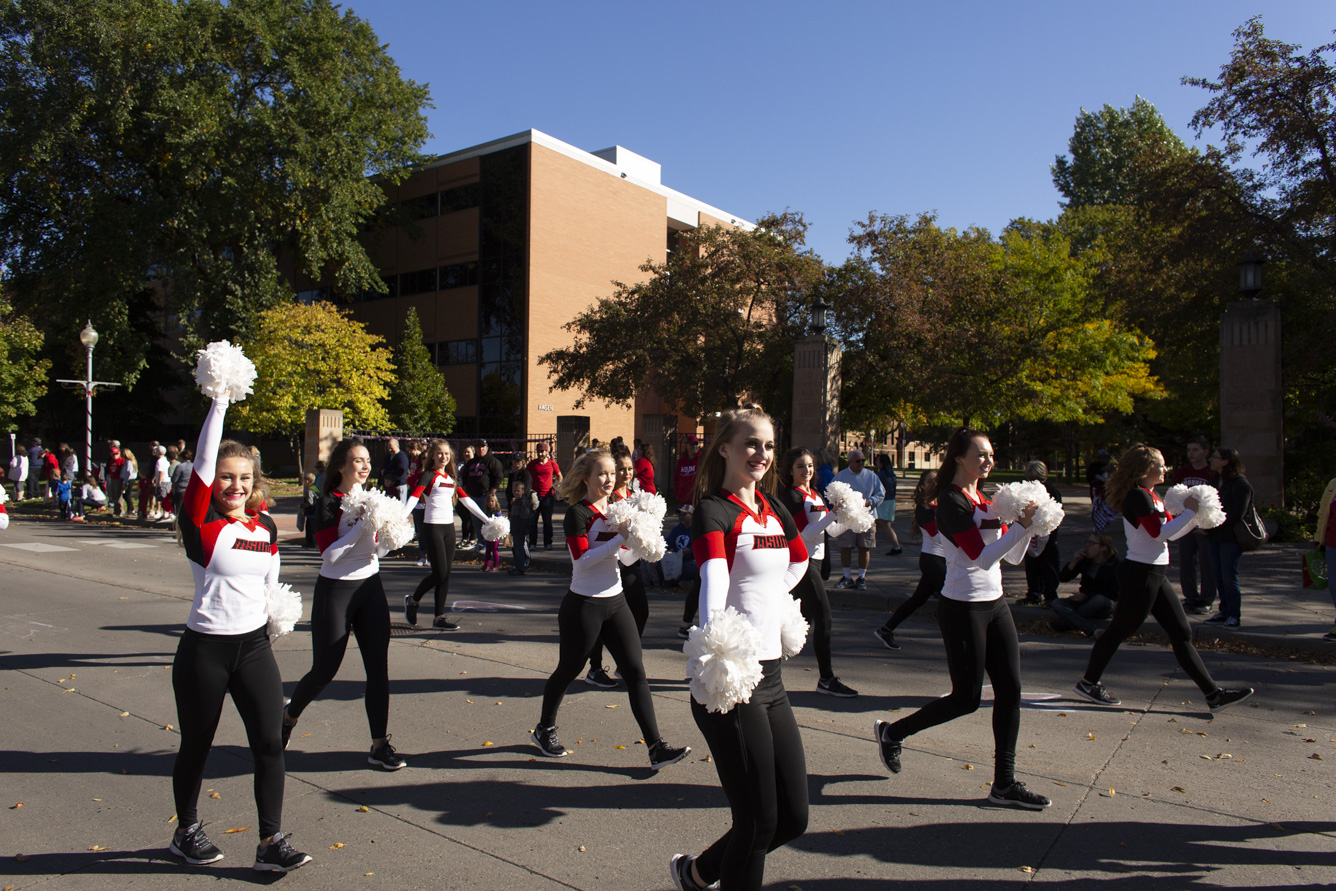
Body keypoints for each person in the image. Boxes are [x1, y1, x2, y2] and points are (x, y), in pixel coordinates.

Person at [168, 385, 311, 873]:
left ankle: (270, 840)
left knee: (271, 741)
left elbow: (272, 583)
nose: (235, 485)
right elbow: (206, 459)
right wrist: (220, 399)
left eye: (244, 478)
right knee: (197, 744)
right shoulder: (201, 526)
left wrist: (277, 617)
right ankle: (185, 830)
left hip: (252, 648)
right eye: (227, 478)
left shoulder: (265, 526)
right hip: (205, 649)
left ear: (255, 482)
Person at [873, 428, 1052, 810]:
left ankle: (1004, 783)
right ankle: (893, 732)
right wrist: (1020, 526)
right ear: (959, 457)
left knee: (1011, 690)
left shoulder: (984, 498)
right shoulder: (950, 502)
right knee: (966, 699)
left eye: (991, 455)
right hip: (962, 606)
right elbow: (980, 558)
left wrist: (1035, 528)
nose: (988, 461)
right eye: (981, 454)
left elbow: (1013, 558)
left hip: (996, 602)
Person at [670, 407, 810, 891]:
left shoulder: (773, 507)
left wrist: (774, 606)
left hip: (771, 680)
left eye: (769, 445)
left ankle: (698, 871)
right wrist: (718, 642)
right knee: (757, 822)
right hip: (733, 680)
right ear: (725, 448)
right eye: (751, 443)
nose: (762, 454)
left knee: (794, 816)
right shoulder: (714, 508)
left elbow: (799, 560)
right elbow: (714, 577)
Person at [531, 448, 689, 771]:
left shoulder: (618, 509)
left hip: (616, 602)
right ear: (586, 477)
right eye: (601, 473)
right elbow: (582, 561)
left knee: (635, 671)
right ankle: (544, 728)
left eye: (612, 473)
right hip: (584, 604)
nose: (608, 479)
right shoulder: (579, 513)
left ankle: (656, 747)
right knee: (568, 670)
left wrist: (641, 542)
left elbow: (626, 559)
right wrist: (620, 537)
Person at [1071, 443, 1254, 712]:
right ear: (1146, 468)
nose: (1165, 468)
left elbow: (1171, 532)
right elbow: (1159, 533)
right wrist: (1190, 512)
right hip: (1140, 574)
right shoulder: (1137, 496)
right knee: (1119, 631)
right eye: (1161, 464)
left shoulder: (1153, 495)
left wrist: (1195, 518)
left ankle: (1213, 695)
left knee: (1181, 633)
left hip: (1155, 573)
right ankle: (1088, 682)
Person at [283, 439, 406, 771]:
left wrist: (389, 534)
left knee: (378, 669)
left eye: (367, 460)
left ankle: (379, 745)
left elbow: (376, 552)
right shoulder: (328, 503)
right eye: (357, 461)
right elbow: (330, 555)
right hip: (335, 591)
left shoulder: (372, 499)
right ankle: (289, 715)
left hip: (370, 588)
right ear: (341, 466)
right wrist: (361, 526)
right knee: (325, 669)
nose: (365, 466)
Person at [777, 447, 857, 697]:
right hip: (803, 563)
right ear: (790, 470)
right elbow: (804, 536)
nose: (807, 470)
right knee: (824, 617)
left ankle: (762, 667)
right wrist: (833, 513)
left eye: (810, 465)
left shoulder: (814, 494)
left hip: (818, 561)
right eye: (801, 466)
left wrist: (852, 518)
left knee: (798, 623)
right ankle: (826, 679)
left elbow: (830, 531)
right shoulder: (792, 497)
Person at [403, 440, 488, 629]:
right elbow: (414, 497)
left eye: (447, 454)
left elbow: (467, 502)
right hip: (432, 527)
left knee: (446, 574)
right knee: (439, 572)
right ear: (433, 455)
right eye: (440, 453)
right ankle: (413, 600)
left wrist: (487, 520)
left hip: (449, 529)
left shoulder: (451, 478)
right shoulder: (428, 475)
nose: (443, 457)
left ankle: (438, 617)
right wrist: (401, 517)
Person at [584, 449, 651, 689]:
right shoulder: (609, 498)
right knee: (603, 619)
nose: (625, 473)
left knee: (640, 611)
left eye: (628, 469)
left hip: (631, 561)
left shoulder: (636, 495)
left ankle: (624, 663)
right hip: (612, 561)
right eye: (619, 469)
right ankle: (595, 667)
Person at [874, 469, 945, 650]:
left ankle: (886, 629)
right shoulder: (925, 507)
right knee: (953, 598)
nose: (934, 484)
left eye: (936, 481)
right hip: (933, 560)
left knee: (918, 600)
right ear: (922, 485)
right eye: (930, 481)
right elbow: (938, 536)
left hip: (941, 559)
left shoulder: (942, 503)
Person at [1203, 447, 1254, 628]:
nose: (1211, 459)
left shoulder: (1240, 484)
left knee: (1228, 576)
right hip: (1214, 536)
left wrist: (1213, 523)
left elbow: (1236, 513)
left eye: (1215, 457)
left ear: (1226, 461)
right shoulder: (1216, 481)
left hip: (1231, 538)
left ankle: (1234, 614)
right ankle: (1224, 610)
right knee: (1218, 575)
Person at [1174, 436, 1218, 615]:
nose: (1191, 454)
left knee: (1207, 563)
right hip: (1186, 523)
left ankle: (1206, 599)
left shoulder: (1212, 473)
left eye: (1195, 450)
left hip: (1204, 524)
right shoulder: (1183, 472)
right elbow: (1175, 496)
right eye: (1189, 450)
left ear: (1205, 452)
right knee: (1186, 562)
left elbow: (1217, 500)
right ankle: (1190, 597)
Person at [831, 449, 885, 591]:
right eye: (858, 461)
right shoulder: (841, 476)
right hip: (847, 517)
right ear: (850, 462)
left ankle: (861, 577)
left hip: (866, 517)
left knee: (864, 547)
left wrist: (870, 501)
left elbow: (881, 493)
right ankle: (847, 576)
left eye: (863, 461)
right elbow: (831, 494)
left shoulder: (871, 476)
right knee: (845, 547)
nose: (861, 463)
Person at [1048, 533, 1121, 637]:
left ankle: (1065, 624)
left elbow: (1114, 593)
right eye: (1087, 542)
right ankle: (1093, 630)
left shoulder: (1115, 565)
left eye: (1092, 543)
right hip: (1085, 601)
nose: (1087, 546)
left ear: (1103, 547)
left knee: (1099, 599)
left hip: (1104, 604)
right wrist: (1074, 562)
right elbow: (1063, 578)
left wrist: (1087, 595)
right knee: (1056, 603)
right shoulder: (1086, 561)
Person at [1017, 461, 1063, 606]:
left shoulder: (1050, 490)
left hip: (1046, 533)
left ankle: (1050, 594)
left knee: (1048, 565)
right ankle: (1034, 592)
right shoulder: (1027, 491)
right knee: (1032, 564)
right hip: (1031, 532)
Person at [462, 440, 505, 552]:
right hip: (473, 496)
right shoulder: (471, 462)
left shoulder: (492, 461)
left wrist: (492, 491)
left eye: (483, 447)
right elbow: (464, 477)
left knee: (487, 520)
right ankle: (481, 543)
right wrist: (466, 489)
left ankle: (490, 544)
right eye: (478, 447)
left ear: (486, 448)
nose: (480, 449)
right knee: (476, 521)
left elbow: (499, 476)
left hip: (485, 497)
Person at [1314, 476, 1336, 641]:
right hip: (1332, 542)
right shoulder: (1333, 484)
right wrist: (1318, 539)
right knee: (1334, 585)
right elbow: (1323, 513)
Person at [875, 452, 902, 556]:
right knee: (884, 524)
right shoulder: (890, 473)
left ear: (881, 463)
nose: (876, 463)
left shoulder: (880, 475)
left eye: (878, 461)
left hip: (884, 501)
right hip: (890, 500)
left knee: (885, 525)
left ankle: (896, 546)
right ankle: (895, 546)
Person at [508, 477, 534, 575]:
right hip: (515, 528)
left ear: (523, 491)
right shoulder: (515, 502)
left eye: (518, 491)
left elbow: (524, 517)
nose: (516, 493)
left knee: (519, 549)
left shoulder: (523, 502)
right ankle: (517, 565)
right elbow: (512, 515)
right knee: (515, 548)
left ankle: (520, 567)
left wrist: (522, 529)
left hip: (520, 529)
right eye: (514, 491)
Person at [1087, 449, 1115, 532]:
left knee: (1108, 506)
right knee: (1097, 506)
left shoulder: (1110, 466)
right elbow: (1090, 477)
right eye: (1103, 458)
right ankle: (1097, 522)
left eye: (1106, 458)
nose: (1105, 460)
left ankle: (1106, 521)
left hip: (1108, 490)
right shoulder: (1094, 466)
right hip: (1097, 490)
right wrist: (1101, 470)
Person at [456, 444, 476, 547]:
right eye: (465, 452)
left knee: (472, 517)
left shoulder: (475, 465)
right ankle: (464, 538)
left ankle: (472, 539)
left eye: (469, 452)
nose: (466, 454)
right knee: (464, 518)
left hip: (471, 494)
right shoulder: (460, 466)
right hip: (460, 494)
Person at [674, 435, 701, 506]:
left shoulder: (701, 459)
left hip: (696, 500)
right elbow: (676, 478)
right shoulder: (682, 461)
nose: (694, 446)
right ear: (686, 446)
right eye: (692, 444)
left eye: (696, 444)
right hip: (683, 500)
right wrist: (678, 494)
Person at [480, 493, 503, 571]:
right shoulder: (487, 512)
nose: (491, 503)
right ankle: (486, 564)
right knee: (488, 549)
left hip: (495, 535)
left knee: (494, 549)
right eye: (489, 501)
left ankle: (495, 565)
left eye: (492, 501)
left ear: (496, 502)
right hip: (488, 534)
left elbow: (501, 523)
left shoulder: (497, 513)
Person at [118, 447, 138, 516]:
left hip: (128, 479)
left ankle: (131, 509)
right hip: (129, 479)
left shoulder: (129, 462)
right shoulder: (129, 461)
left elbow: (128, 473)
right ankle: (131, 508)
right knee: (125, 495)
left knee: (127, 495)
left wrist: (125, 482)